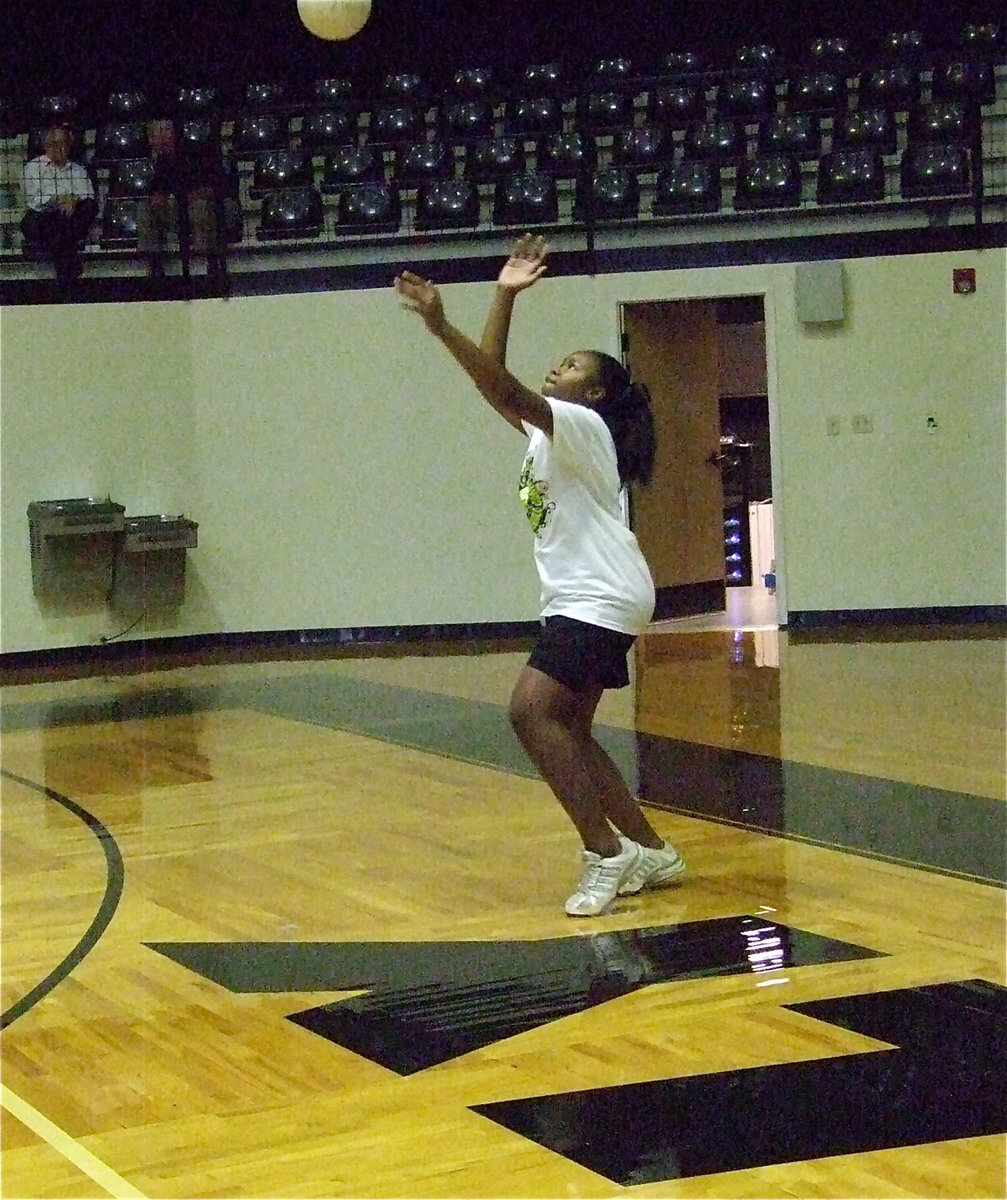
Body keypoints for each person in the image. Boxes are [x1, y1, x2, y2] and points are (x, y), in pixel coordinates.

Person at [394, 234, 685, 916]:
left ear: (598, 390)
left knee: (528, 711)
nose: (556, 369)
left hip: (600, 592)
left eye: (571, 365)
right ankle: (651, 850)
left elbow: (498, 382)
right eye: (556, 364)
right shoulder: (547, 434)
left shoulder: (583, 425)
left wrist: (443, 324)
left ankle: (603, 855)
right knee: (570, 730)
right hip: (589, 593)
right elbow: (488, 379)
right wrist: (500, 294)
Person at [137, 118, 236, 282]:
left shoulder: (198, 153)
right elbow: (159, 189)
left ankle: (211, 262)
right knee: (145, 208)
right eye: (151, 136)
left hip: (214, 208)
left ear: (171, 134)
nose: (153, 141)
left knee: (200, 206)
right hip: (180, 209)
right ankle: (154, 263)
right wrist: (157, 198)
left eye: (158, 134)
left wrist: (197, 194)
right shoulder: (162, 161)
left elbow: (221, 187)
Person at [20, 124, 97, 284]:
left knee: (86, 209)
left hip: (71, 218)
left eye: (63, 144)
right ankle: (70, 268)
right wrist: (58, 200)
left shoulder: (78, 170)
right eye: (54, 144)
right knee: (56, 220)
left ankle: (64, 275)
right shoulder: (33, 168)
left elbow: (88, 196)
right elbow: (33, 200)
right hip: (42, 218)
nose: (59, 149)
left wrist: (74, 201)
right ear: (46, 146)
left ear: (69, 147)